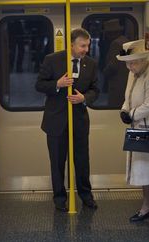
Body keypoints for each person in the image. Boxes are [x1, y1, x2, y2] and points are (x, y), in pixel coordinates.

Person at [35, 28, 99, 212]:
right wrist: (57, 84)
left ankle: (86, 195)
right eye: (82, 45)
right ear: (71, 45)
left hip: (79, 121)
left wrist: (84, 98)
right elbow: (39, 85)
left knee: (82, 161)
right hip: (56, 121)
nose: (86, 49)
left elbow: (96, 90)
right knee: (57, 162)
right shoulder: (52, 60)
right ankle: (59, 198)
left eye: (87, 45)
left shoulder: (91, 64)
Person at [116, 39, 149, 222]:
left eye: (133, 63)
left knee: (146, 169)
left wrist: (130, 114)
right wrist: (124, 110)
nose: (130, 67)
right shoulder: (134, 73)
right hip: (139, 127)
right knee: (146, 168)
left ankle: (147, 206)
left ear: (142, 60)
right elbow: (128, 96)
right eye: (128, 63)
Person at [102, 19, 129, 108]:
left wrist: (104, 73)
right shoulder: (125, 40)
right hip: (124, 81)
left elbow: (113, 65)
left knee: (115, 105)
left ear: (112, 33)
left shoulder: (116, 44)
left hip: (117, 83)